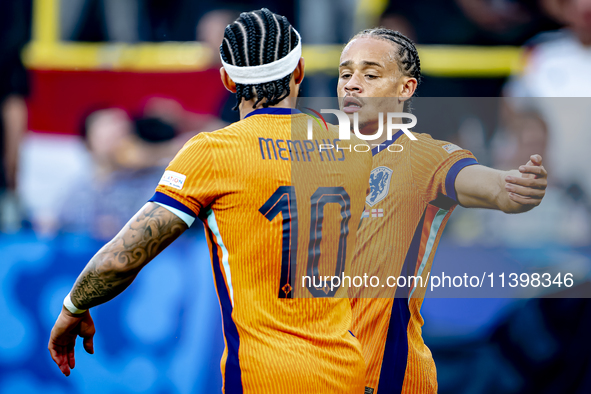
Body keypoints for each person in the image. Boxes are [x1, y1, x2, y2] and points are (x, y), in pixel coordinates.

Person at [48, 9, 372, 393]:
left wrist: (72, 308)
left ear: (226, 78)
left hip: (263, 376)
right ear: (299, 70)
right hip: (347, 372)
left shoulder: (213, 153)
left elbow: (122, 258)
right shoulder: (353, 147)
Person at [337, 28, 547, 393]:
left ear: (405, 88)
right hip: (317, 367)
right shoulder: (314, 152)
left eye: (370, 74)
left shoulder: (425, 157)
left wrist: (513, 186)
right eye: (345, 73)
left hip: (383, 372)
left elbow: (491, 187)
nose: (353, 84)